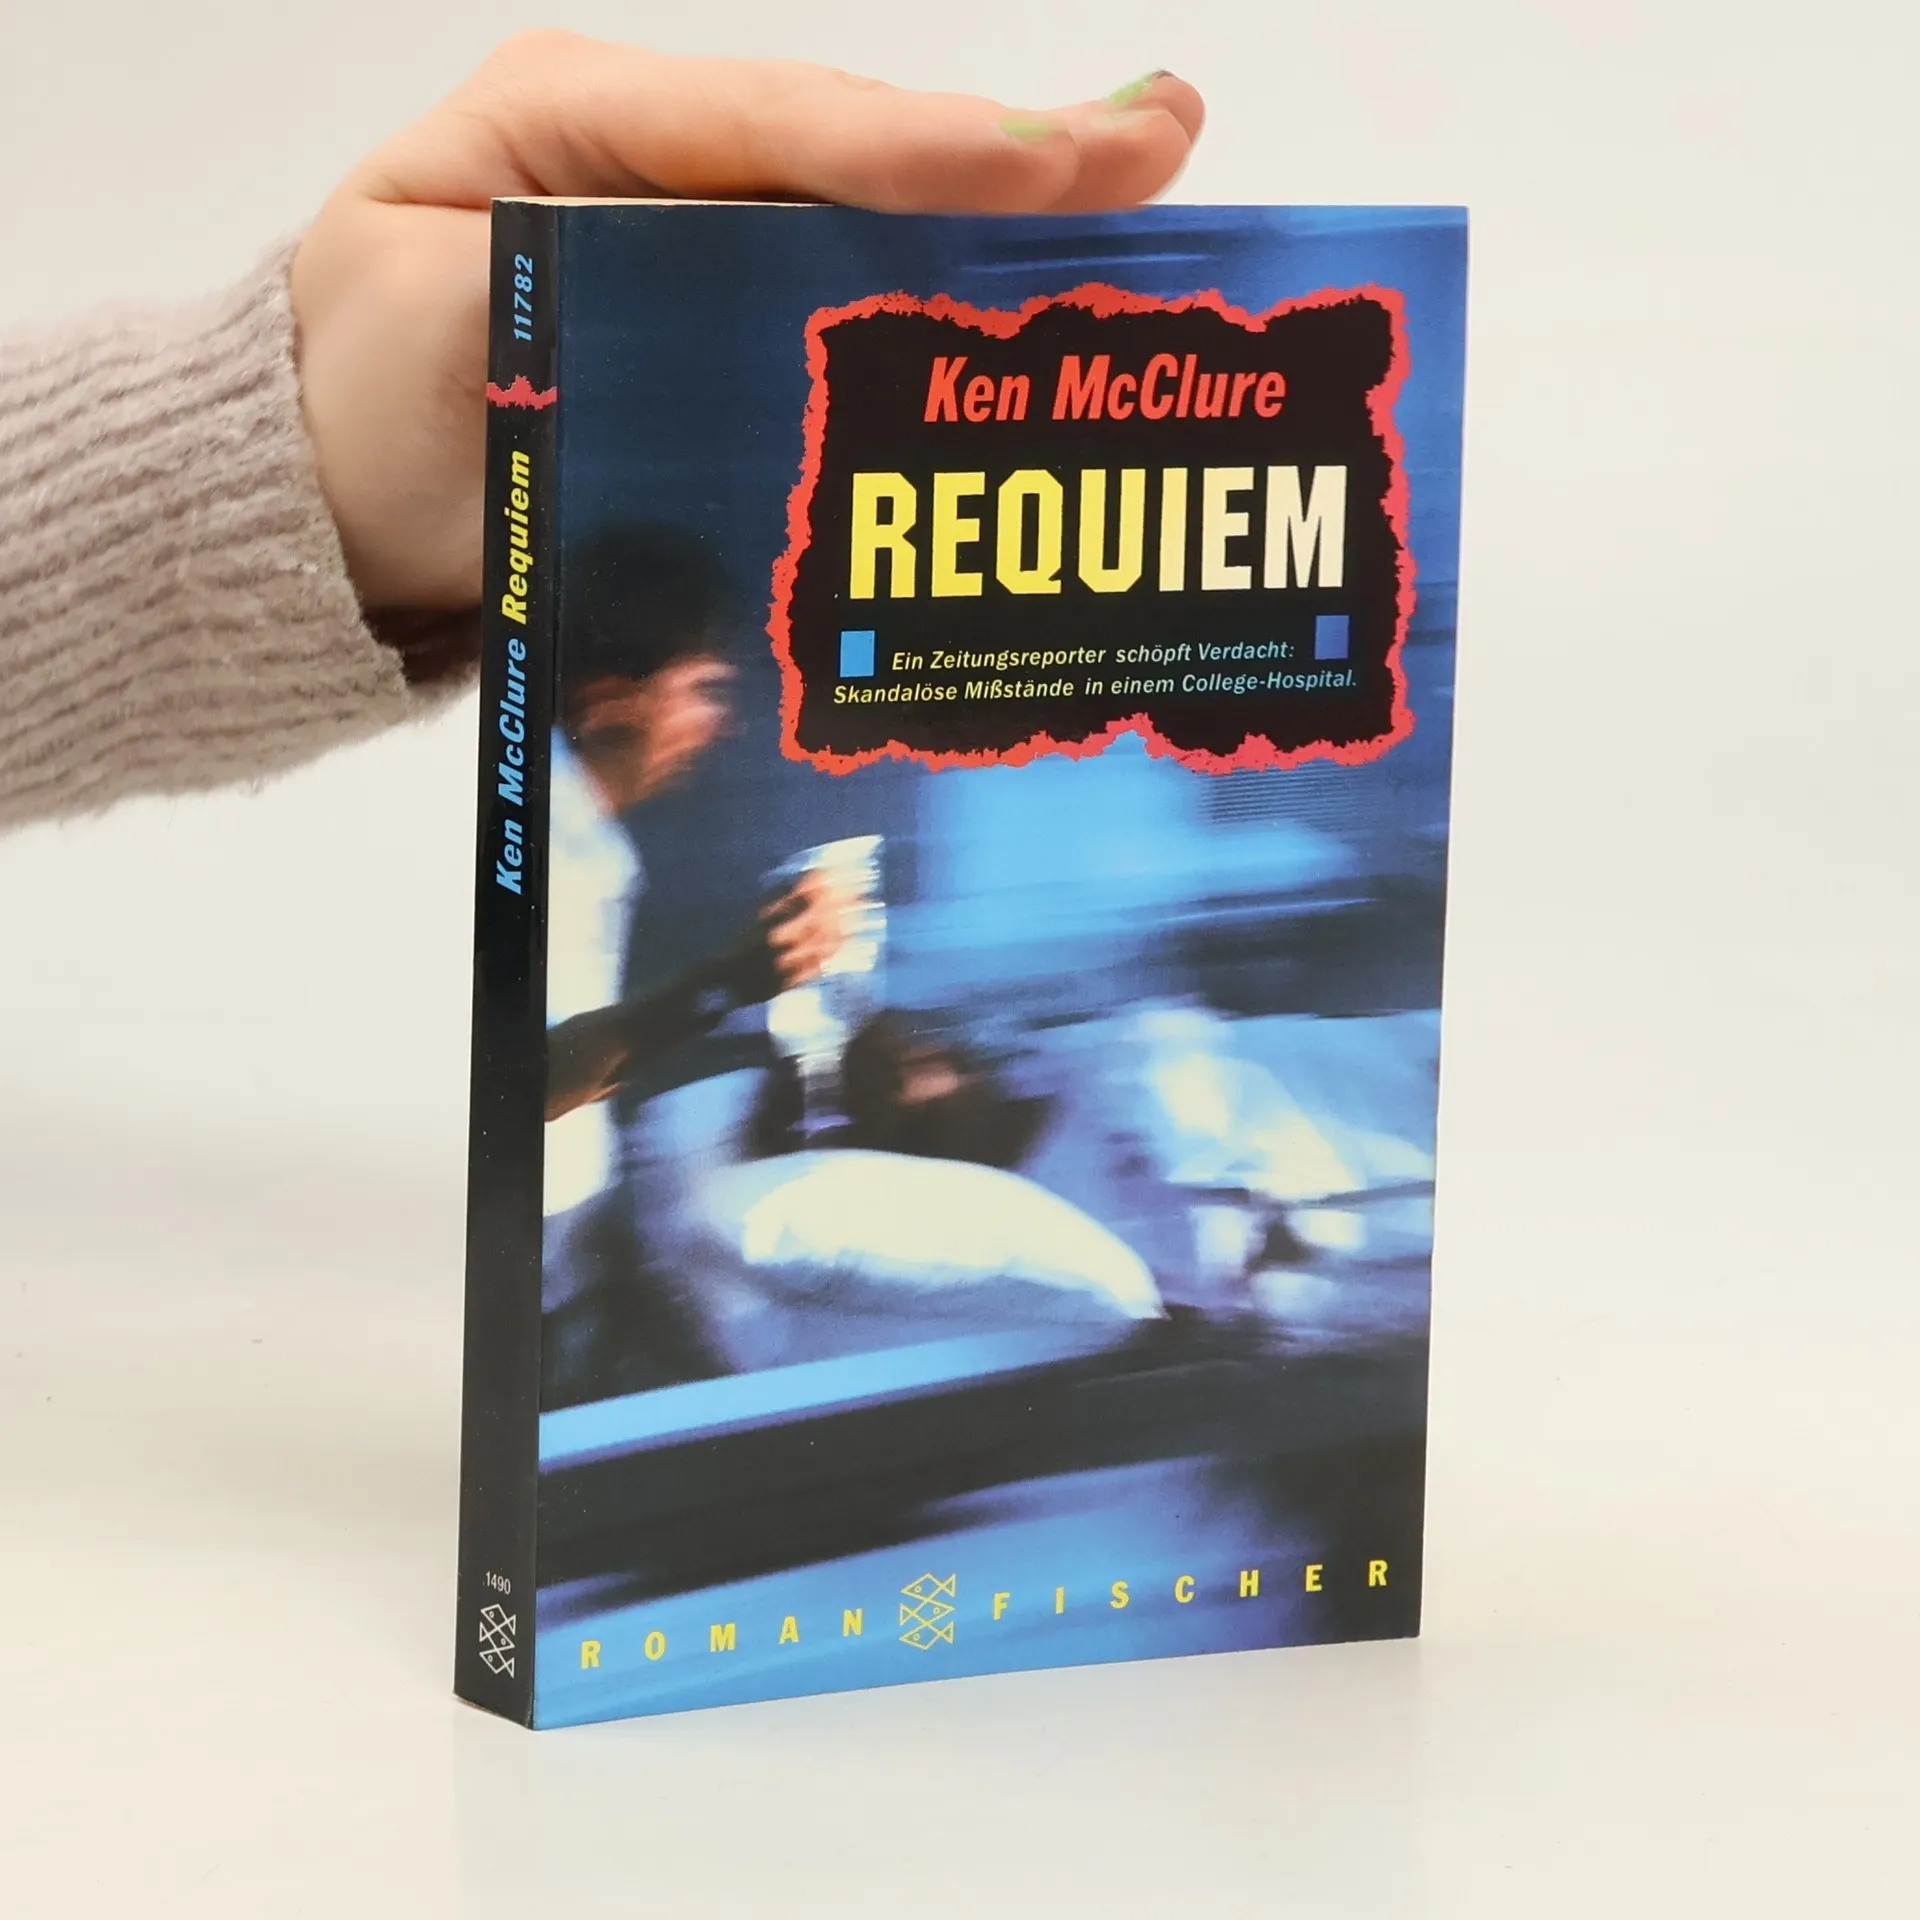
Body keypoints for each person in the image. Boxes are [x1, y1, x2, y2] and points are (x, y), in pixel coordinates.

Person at [0, 38, 1203, 827]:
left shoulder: (601, 846)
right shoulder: (577, 851)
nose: (724, 719)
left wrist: (302, 455)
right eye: (710, 686)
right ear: (623, 698)